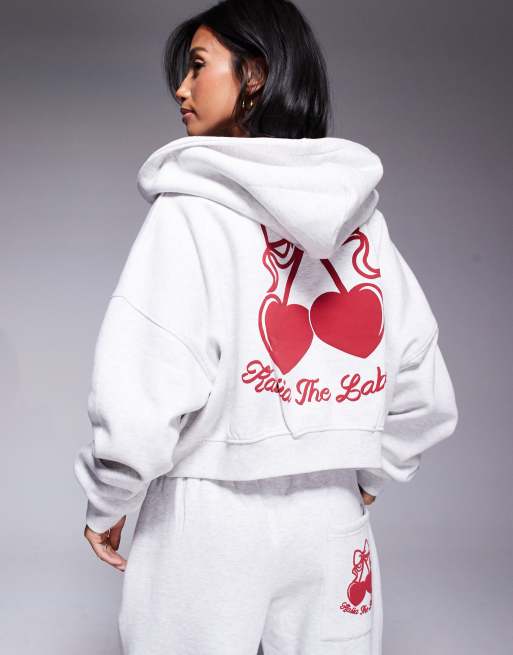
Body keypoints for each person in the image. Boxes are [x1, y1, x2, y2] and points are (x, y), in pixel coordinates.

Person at [73, 1, 459, 653]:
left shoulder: (188, 215)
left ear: (253, 75)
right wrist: (364, 473)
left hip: (206, 521)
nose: (181, 88)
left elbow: (143, 385)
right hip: (331, 516)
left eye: (198, 66)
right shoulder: (362, 223)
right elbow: (421, 388)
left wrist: (109, 499)